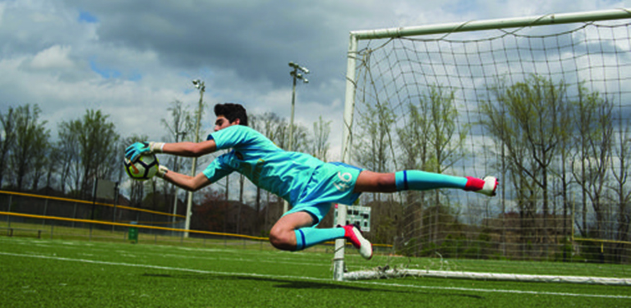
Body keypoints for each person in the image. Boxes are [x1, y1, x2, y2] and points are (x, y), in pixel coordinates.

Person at [125, 103, 498, 260]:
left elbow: (192, 151)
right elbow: (192, 184)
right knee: (278, 237)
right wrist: (156, 169)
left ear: (234, 125)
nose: (214, 127)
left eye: (218, 122)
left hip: (323, 175)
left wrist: (152, 144)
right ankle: (345, 234)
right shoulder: (231, 160)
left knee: (386, 181)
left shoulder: (243, 135)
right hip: (307, 199)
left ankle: (472, 183)